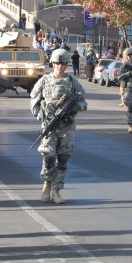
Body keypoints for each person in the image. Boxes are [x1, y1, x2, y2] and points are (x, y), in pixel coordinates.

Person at [30, 49, 87, 204]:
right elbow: (34, 103)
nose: (60, 67)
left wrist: (75, 108)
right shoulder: (44, 81)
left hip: (66, 126)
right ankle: (47, 183)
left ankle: (57, 190)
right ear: (53, 64)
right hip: (50, 124)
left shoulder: (72, 82)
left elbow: (83, 102)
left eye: (63, 64)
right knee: (48, 156)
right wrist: (42, 116)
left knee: (63, 158)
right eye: (57, 63)